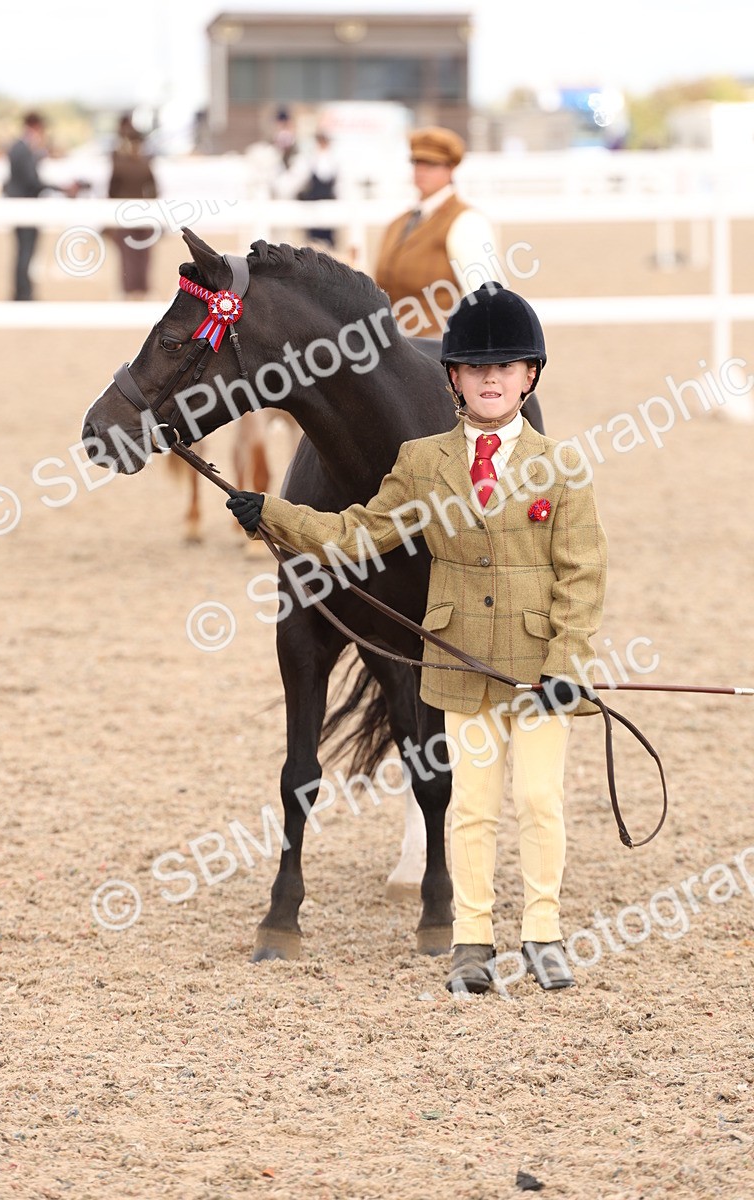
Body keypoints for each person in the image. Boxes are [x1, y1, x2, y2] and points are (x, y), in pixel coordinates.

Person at [225, 283, 608, 995]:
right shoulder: (423, 463)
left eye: (507, 368)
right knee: (470, 805)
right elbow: (360, 531)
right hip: (458, 662)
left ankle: (545, 932)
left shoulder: (563, 467)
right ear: (453, 379)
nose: (491, 381)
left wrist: (567, 664)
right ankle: (470, 938)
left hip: (537, 670)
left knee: (540, 802)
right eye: (475, 369)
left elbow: (582, 575)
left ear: (530, 377)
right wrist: (275, 515)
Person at [373, 126, 499, 338]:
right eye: (416, 162)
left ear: (450, 169)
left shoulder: (466, 221)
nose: (420, 170)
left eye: (431, 164)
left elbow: (481, 297)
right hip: (394, 344)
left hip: (439, 343)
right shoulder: (398, 223)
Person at [3, 112, 79, 301]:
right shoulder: (23, 149)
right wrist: (61, 188)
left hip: (23, 204)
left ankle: (23, 292)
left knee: (24, 251)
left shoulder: (21, 147)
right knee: (25, 251)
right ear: (36, 126)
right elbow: (32, 181)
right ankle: (23, 294)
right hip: (25, 206)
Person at [107, 116, 159, 298]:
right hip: (144, 212)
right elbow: (154, 189)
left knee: (128, 253)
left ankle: (128, 288)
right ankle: (142, 288)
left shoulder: (119, 163)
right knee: (142, 252)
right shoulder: (145, 164)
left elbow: (111, 190)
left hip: (124, 213)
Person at [296, 131, 338, 249]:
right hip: (313, 204)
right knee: (312, 241)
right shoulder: (310, 160)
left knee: (328, 240)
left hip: (329, 204)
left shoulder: (333, 161)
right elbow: (301, 181)